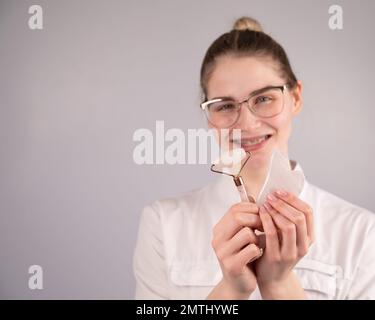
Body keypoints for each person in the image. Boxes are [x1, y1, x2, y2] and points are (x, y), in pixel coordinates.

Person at [133, 16, 375, 300]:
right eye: (225, 106)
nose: (246, 124)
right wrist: (232, 289)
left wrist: (279, 284)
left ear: (295, 98)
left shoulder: (361, 233)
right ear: (208, 118)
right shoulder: (163, 223)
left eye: (263, 98)